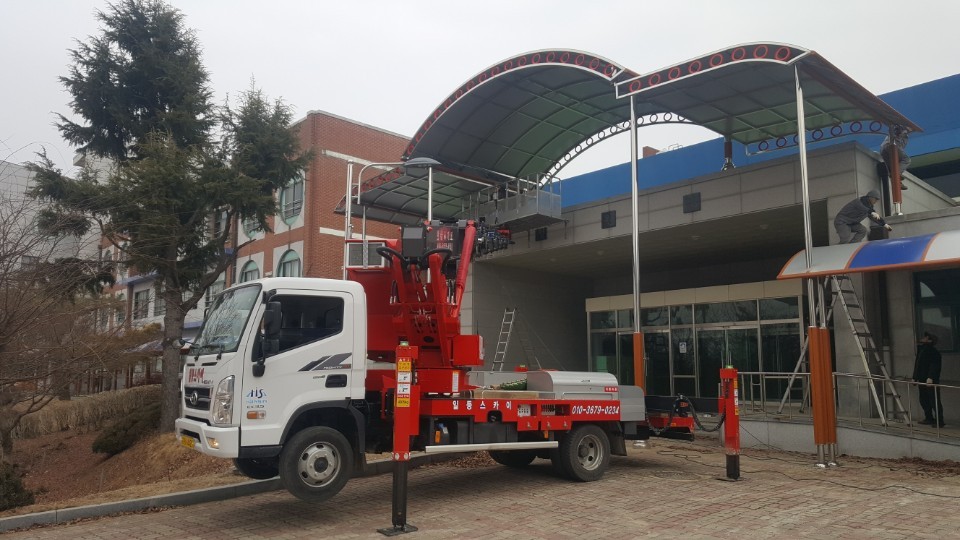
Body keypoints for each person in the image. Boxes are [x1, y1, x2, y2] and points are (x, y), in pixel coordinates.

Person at [912, 332, 944, 427]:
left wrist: (931, 377)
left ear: (930, 340)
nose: (923, 338)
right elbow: (917, 365)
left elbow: (935, 365)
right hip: (922, 379)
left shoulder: (933, 352)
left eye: (926, 337)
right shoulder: (922, 350)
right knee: (924, 399)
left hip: (930, 380)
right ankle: (929, 417)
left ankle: (939, 420)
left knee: (934, 400)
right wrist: (915, 377)